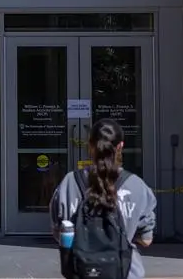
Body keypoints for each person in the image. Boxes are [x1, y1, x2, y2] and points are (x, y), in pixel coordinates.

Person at [49, 118, 157, 279]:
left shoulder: (70, 182)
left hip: (81, 271)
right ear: (120, 146)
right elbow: (146, 240)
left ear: (90, 146)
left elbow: (59, 232)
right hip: (125, 272)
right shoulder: (137, 186)